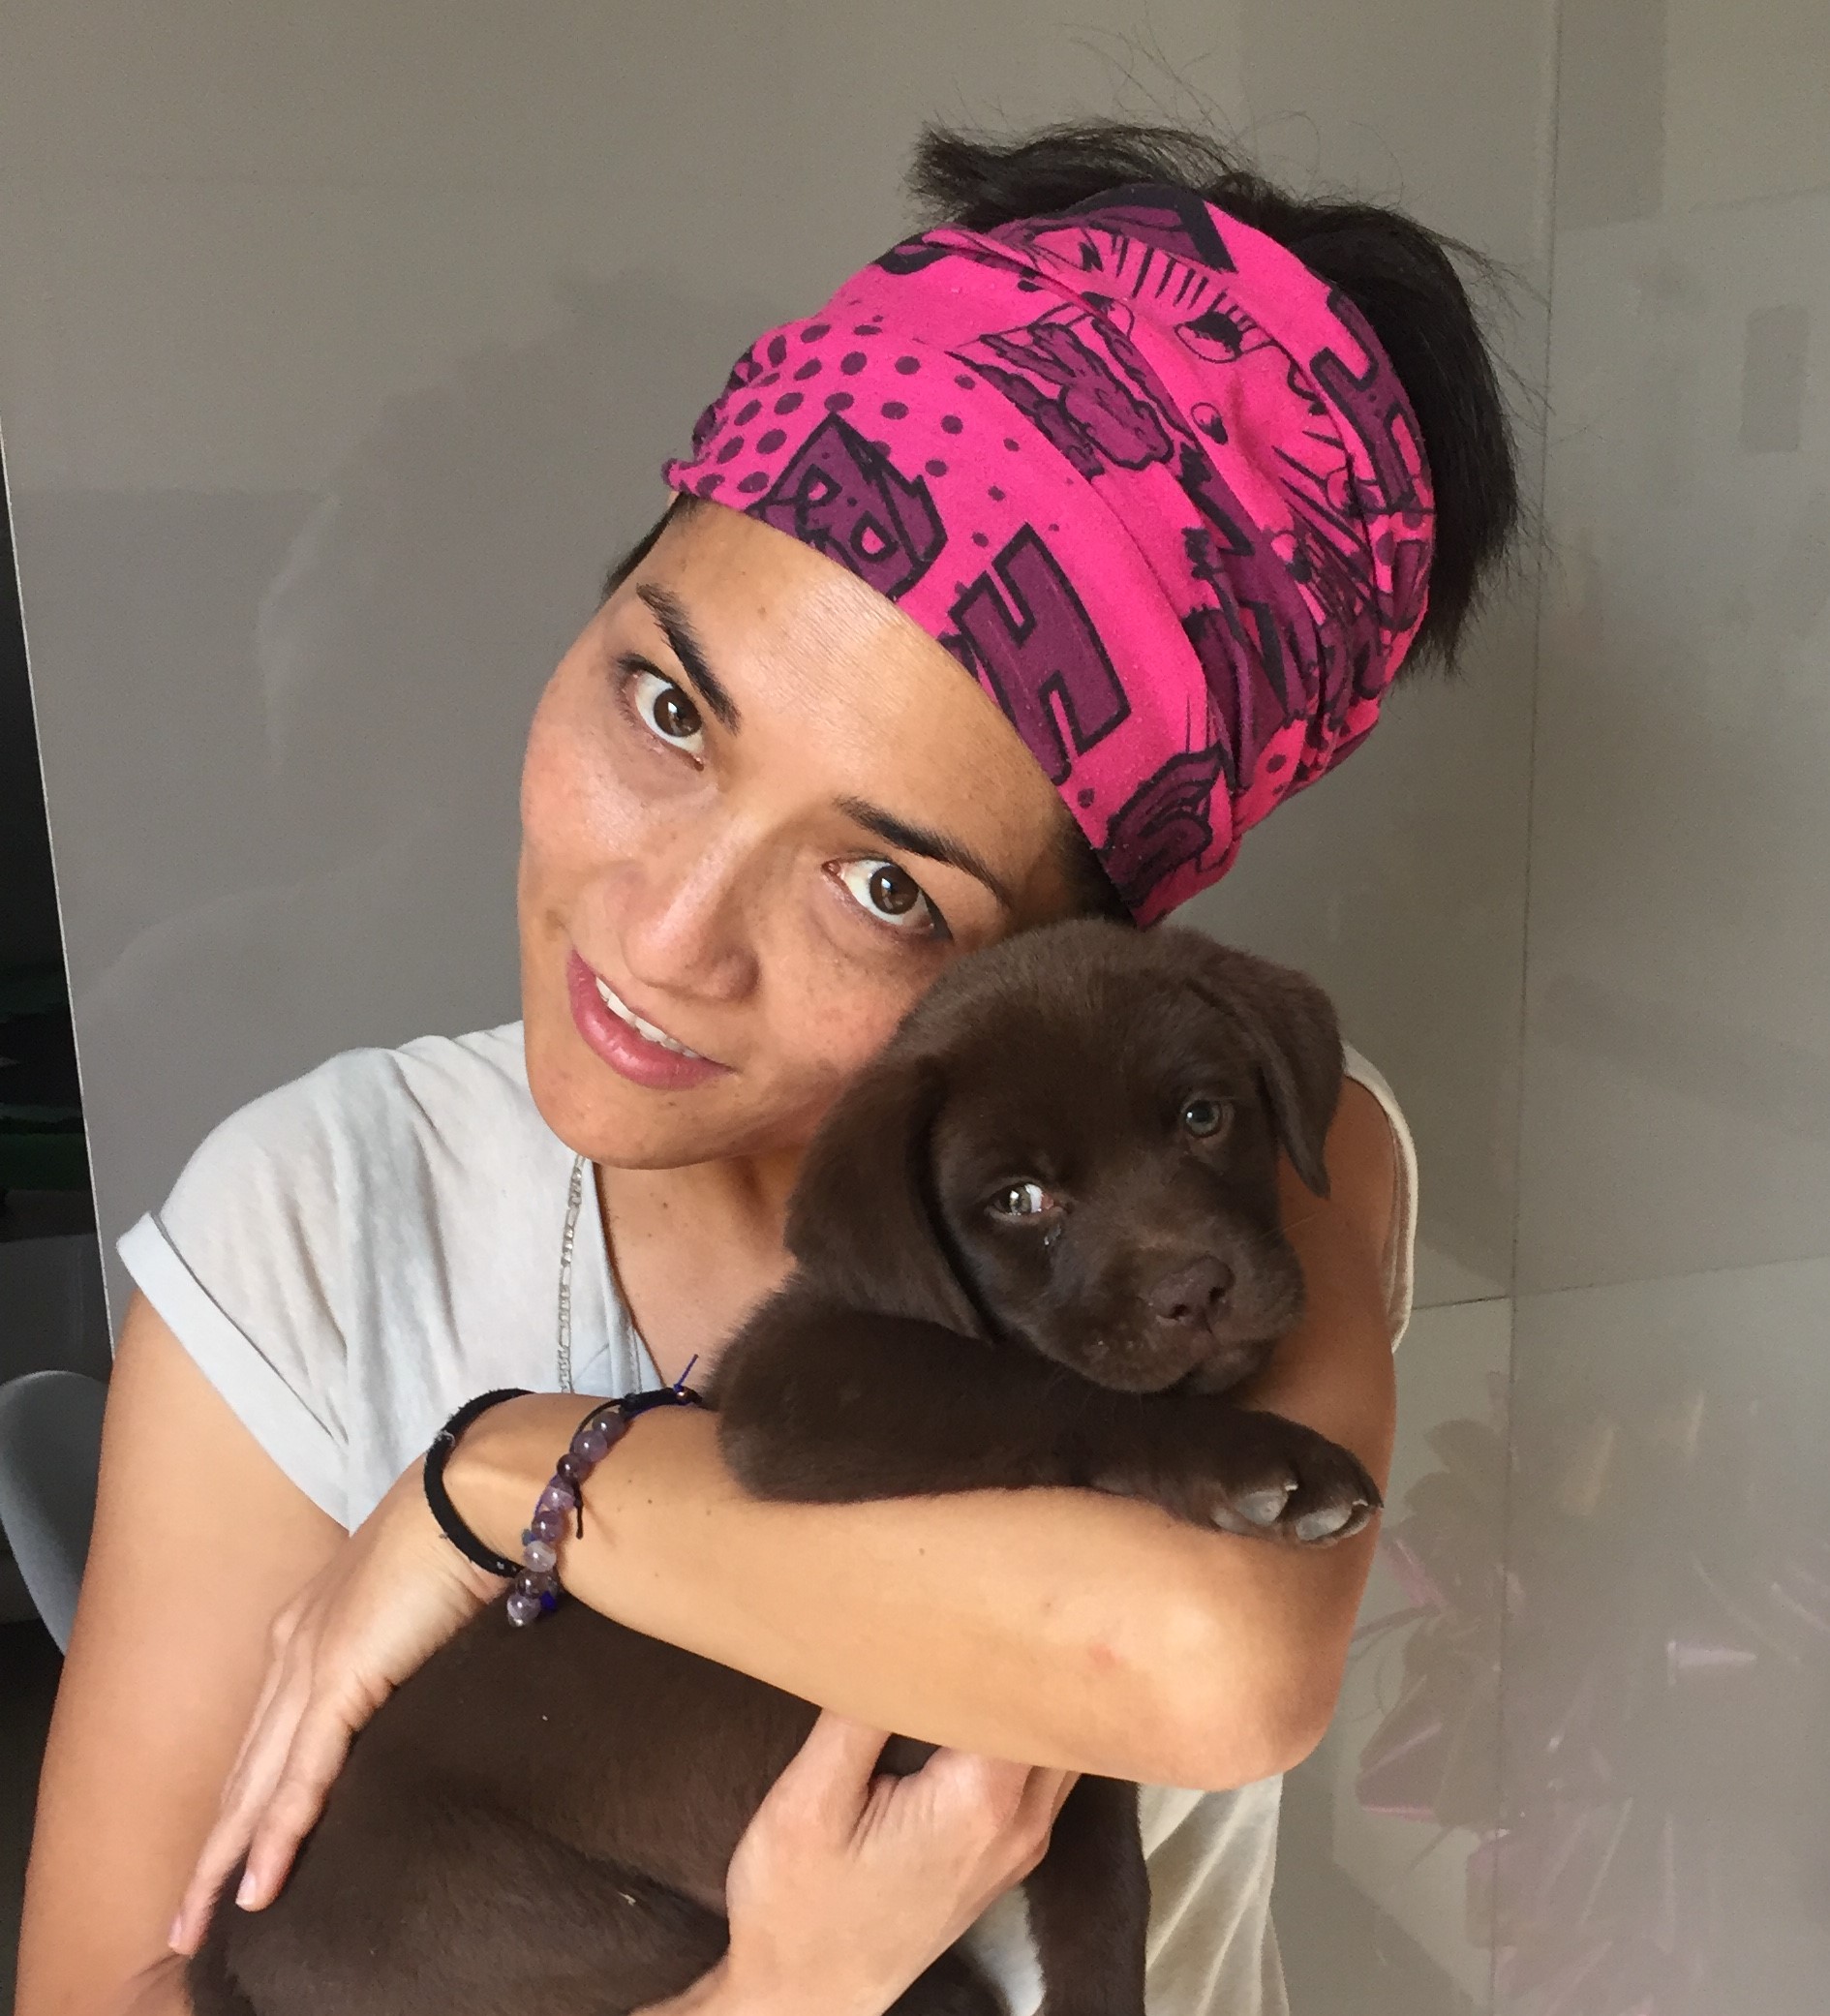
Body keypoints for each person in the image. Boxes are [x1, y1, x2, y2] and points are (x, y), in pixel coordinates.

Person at [17, 117, 1519, 2016]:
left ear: (1078, 950)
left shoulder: (1247, 1144)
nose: (664, 935)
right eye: (668, 707)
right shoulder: (321, 1222)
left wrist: (505, 1480)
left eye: (884, 884)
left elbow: (1213, 1663)